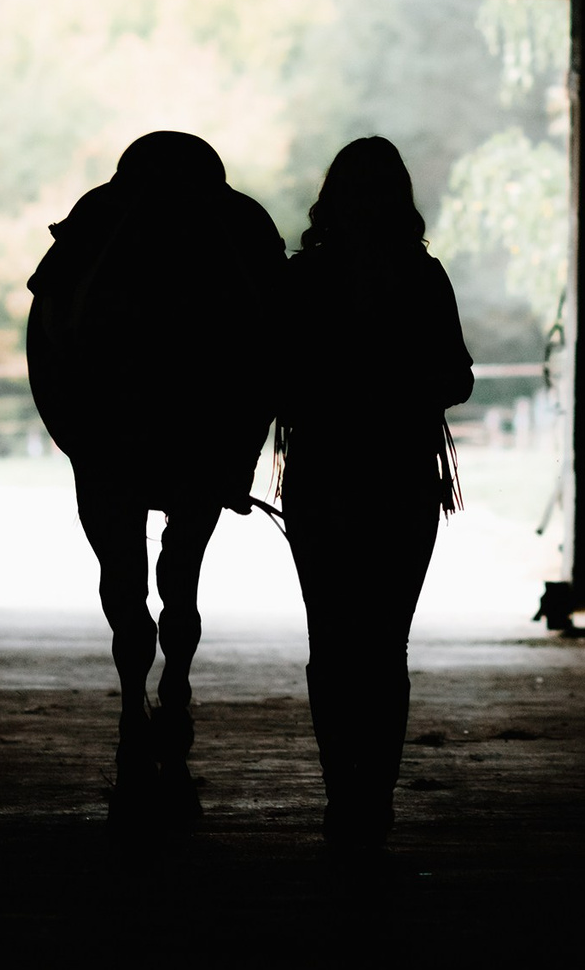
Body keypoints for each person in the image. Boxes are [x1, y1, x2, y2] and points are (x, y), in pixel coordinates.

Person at [26, 131, 285, 818]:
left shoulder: (90, 233)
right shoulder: (243, 231)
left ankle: (134, 717)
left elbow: (49, 356)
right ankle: (173, 697)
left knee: (123, 576)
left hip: (102, 434)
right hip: (207, 435)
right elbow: (269, 358)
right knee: (184, 578)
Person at [274, 137, 474, 854]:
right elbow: (457, 378)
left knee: (330, 642)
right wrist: (396, 390)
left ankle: (342, 794)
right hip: (401, 482)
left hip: (322, 479)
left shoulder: (301, 280)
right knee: (386, 646)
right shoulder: (423, 277)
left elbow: (273, 383)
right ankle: (375, 798)